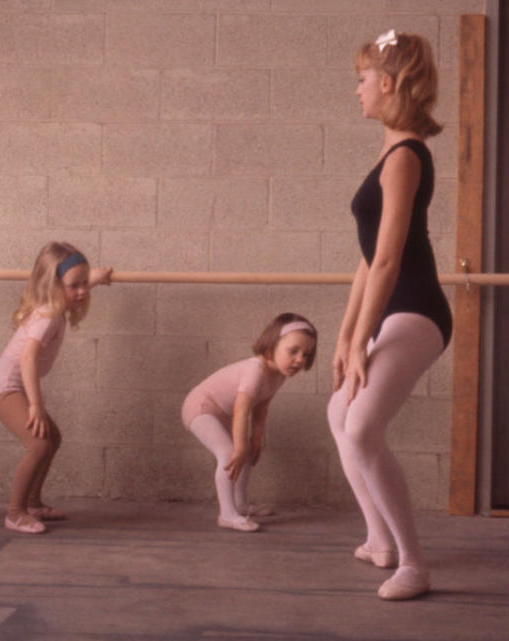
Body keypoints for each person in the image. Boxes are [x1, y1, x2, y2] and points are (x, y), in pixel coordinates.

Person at [327, 29, 453, 600]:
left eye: (360, 79)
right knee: (339, 412)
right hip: (388, 310)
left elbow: (388, 260)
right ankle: (378, 540)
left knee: (361, 424)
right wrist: (346, 334)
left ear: (387, 82)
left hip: (419, 309)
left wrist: (361, 343)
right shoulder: (387, 149)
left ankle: (413, 563)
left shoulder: (405, 155)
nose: (356, 90)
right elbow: (365, 259)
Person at [0, 242, 112, 534]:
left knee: (53, 437)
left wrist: (97, 278)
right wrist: (35, 407)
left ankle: (33, 503)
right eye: (74, 286)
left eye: (84, 284)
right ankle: (16, 513)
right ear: (54, 285)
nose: (81, 291)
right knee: (39, 443)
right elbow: (28, 358)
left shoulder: (56, 302)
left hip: (10, 383)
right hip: (5, 385)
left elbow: (73, 281)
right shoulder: (49, 315)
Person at [183, 313, 317, 532]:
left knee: (244, 455)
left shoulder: (278, 375)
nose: (300, 360)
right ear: (272, 345)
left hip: (224, 413)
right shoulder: (255, 370)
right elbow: (242, 409)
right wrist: (241, 446)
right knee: (229, 454)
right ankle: (227, 514)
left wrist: (255, 440)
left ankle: (240, 505)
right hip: (200, 408)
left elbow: (261, 407)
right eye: (293, 351)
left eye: (306, 354)